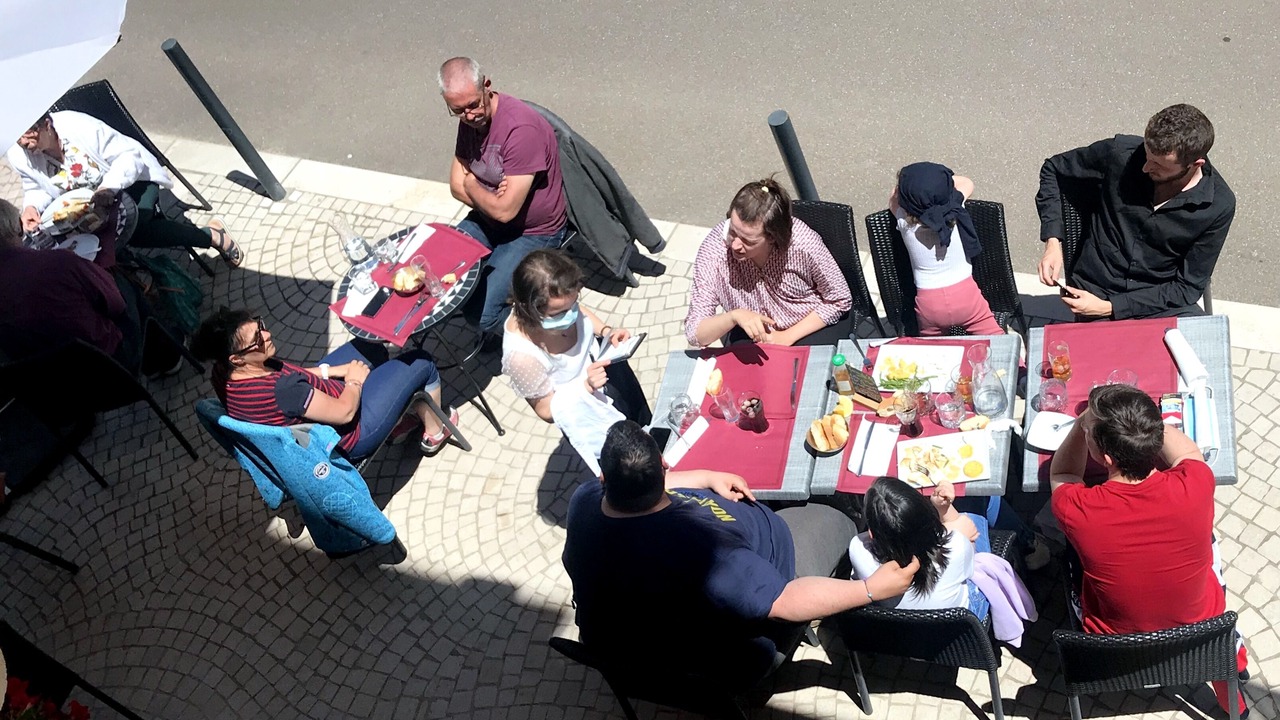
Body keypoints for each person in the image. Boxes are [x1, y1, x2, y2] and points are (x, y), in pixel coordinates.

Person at [563, 420, 919, 681]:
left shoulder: (586, 500)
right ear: (665, 464)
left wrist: (704, 476)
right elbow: (783, 602)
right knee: (835, 515)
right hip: (773, 577)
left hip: (643, 633)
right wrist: (870, 590)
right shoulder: (709, 556)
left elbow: (638, 485)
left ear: (603, 478)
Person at [1051, 384, 1248, 716]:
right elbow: (1187, 454)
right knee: (1211, 551)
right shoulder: (1196, 483)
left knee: (1071, 558)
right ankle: (1235, 690)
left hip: (1114, 645)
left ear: (1107, 458)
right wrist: (1144, 421)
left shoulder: (1079, 510)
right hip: (1202, 634)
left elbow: (1064, 472)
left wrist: (1082, 421)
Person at [1035, 104, 1233, 320]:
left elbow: (1187, 287)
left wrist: (1111, 308)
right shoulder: (1120, 153)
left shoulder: (1218, 205)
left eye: (1159, 165)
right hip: (1096, 289)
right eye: (1147, 156)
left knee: (1200, 349)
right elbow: (1053, 169)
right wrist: (1053, 242)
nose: (1146, 168)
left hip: (1159, 301)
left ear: (1195, 164)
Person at [191, 308, 457, 458]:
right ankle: (434, 432)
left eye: (260, 325)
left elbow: (292, 372)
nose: (267, 334)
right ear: (236, 358)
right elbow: (345, 413)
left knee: (370, 348)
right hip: (351, 433)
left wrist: (336, 370)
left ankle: (400, 415)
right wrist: (354, 381)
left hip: (321, 401)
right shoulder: (284, 391)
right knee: (422, 362)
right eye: (257, 339)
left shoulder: (225, 373)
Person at [8, 111, 243, 269]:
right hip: (90, 205)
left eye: (30, 136)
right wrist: (31, 206)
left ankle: (211, 236)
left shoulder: (78, 127)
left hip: (132, 179)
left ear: (47, 124)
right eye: (19, 140)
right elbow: (35, 185)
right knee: (73, 243)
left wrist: (108, 187)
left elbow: (129, 157)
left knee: (139, 230)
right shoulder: (19, 154)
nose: (25, 144)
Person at [439, 57, 568, 335]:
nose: (469, 116)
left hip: (534, 232)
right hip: (488, 220)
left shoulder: (520, 130)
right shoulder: (471, 121)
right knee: (443, 268)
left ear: (487, 85)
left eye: (473, 105)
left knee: (480, 316)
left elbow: (505, 210)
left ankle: (539, 336)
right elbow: (454, 186)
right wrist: (490, 198)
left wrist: (475, 186)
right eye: (458, 110)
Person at [502, 250, 650, 472]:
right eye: (560, 313)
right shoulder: (522, 356)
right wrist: (586, 387)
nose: (571, 315)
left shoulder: (560, 304)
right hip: (589, 412)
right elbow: (545, 410)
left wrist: (606, 331)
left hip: (609, 373)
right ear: (531, 310)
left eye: (573, 303)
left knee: (644, 427)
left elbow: (579, 313)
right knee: (630, 465)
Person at [0, 198, 179, 375]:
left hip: (53, 388)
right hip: (111, 364)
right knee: (120, 280)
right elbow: (115, 303)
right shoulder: (57, 262)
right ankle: (165, 356)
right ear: (17, 227)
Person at [684, 177, 852, 348]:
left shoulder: (803, 244)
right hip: (752, 333)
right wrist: (734, 316)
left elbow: (839, 299)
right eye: (732, 231)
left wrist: (787, 337)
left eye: (747, 241)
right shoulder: (714, 250)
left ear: (772, 237)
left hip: (807, 325)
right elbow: (694, 333)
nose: (734, 245)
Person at [890, 162, 1002, 335]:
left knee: (934, 352)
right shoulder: (955, 209)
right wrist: (941, 183)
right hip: (966, 296)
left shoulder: (904, 223)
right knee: (996, 339)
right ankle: (1020, 362)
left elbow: (893, 198)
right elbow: (967, 182)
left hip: (928, 302)